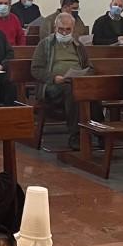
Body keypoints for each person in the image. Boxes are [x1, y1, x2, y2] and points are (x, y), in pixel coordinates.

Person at [31, 13, 91, 150]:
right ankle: (75, 135)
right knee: (72, 91)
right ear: (55, 28)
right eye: (61, 29)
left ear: (73, 29)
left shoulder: (78, 46)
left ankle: (97, 133)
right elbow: (35, 69)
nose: (64, 32)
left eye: (68, 30)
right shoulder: (45, 44)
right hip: (53, 86)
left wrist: (83, 75)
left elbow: (89, 67)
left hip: (77, 83)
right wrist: (54, 78)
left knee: (92, 93)